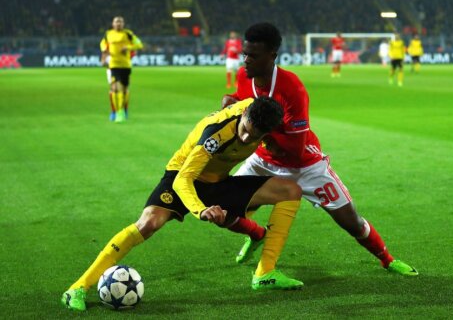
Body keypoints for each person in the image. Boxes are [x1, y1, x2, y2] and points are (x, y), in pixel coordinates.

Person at [61, 97, 304, 311]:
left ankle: (264, 273)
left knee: (291, 190)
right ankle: (78, 288)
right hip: (181, 175)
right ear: (244, 115)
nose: (246, 137)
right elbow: (183, 180)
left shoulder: (263, 121)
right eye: (246, 130)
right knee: (149, 223)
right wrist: (200, 209)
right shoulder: (217, 133)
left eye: (256, 135)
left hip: (218, 181)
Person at [222, 22, 418, 276]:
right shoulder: (243, 75)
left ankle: (387, 259)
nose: (246, 60)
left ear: (272, 56)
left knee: (352, 222)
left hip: (305, 166)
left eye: (253, 56)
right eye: (244, 54)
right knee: (225, 209)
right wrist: (230, 103)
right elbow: (243, 103)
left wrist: (259, 134)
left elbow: (293, 148)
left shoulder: (292, 88)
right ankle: (257, 235)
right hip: (263, 161)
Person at [100, 16, 143, 123]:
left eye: (120, 22)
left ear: (123, 24)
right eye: (116, 22)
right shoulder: (108, 34)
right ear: (113, 24)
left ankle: (124, 110)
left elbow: (139, 44)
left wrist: (128, 47)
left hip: (126, 65)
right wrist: (104, 55)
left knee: (124, 90)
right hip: (113, 65)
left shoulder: (128, 34)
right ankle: (117, 111)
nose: (118, 24)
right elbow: (103, 45)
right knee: (115, 87)